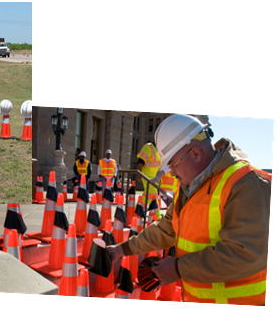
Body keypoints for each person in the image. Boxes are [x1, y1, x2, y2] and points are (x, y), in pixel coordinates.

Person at [107, 114, 270, 305]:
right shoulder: (187, 189)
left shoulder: (247, 184)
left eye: (172, 165)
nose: (171, 172)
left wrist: (178, 269)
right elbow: (165, 230)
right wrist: (121, 250)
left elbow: (246, 254)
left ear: (196, 153)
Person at [137, 141, 161, 208]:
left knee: (147, 195)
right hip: (148, 176)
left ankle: (138, 210)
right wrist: (139, 174)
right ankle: (156, 215)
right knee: (153, 195)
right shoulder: (148, 147)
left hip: (154, 177)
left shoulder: (159, 149)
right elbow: (141, 161)